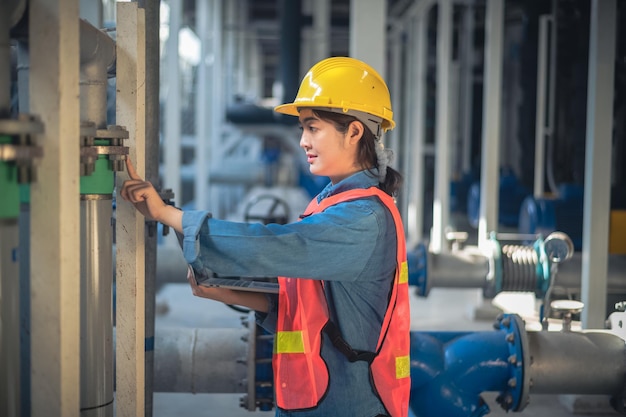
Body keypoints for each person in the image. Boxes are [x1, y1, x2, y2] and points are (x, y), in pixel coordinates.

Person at [120, 56, 411, 417]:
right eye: (303, 128)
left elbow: (277, 245)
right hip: (319, 400)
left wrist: (170, 216)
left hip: (348, 404)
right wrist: (226, 291)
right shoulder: (333, 203)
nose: (303, 140)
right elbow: (313, 312)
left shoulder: (363, 218)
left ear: (354, 132)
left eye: (313, 127)